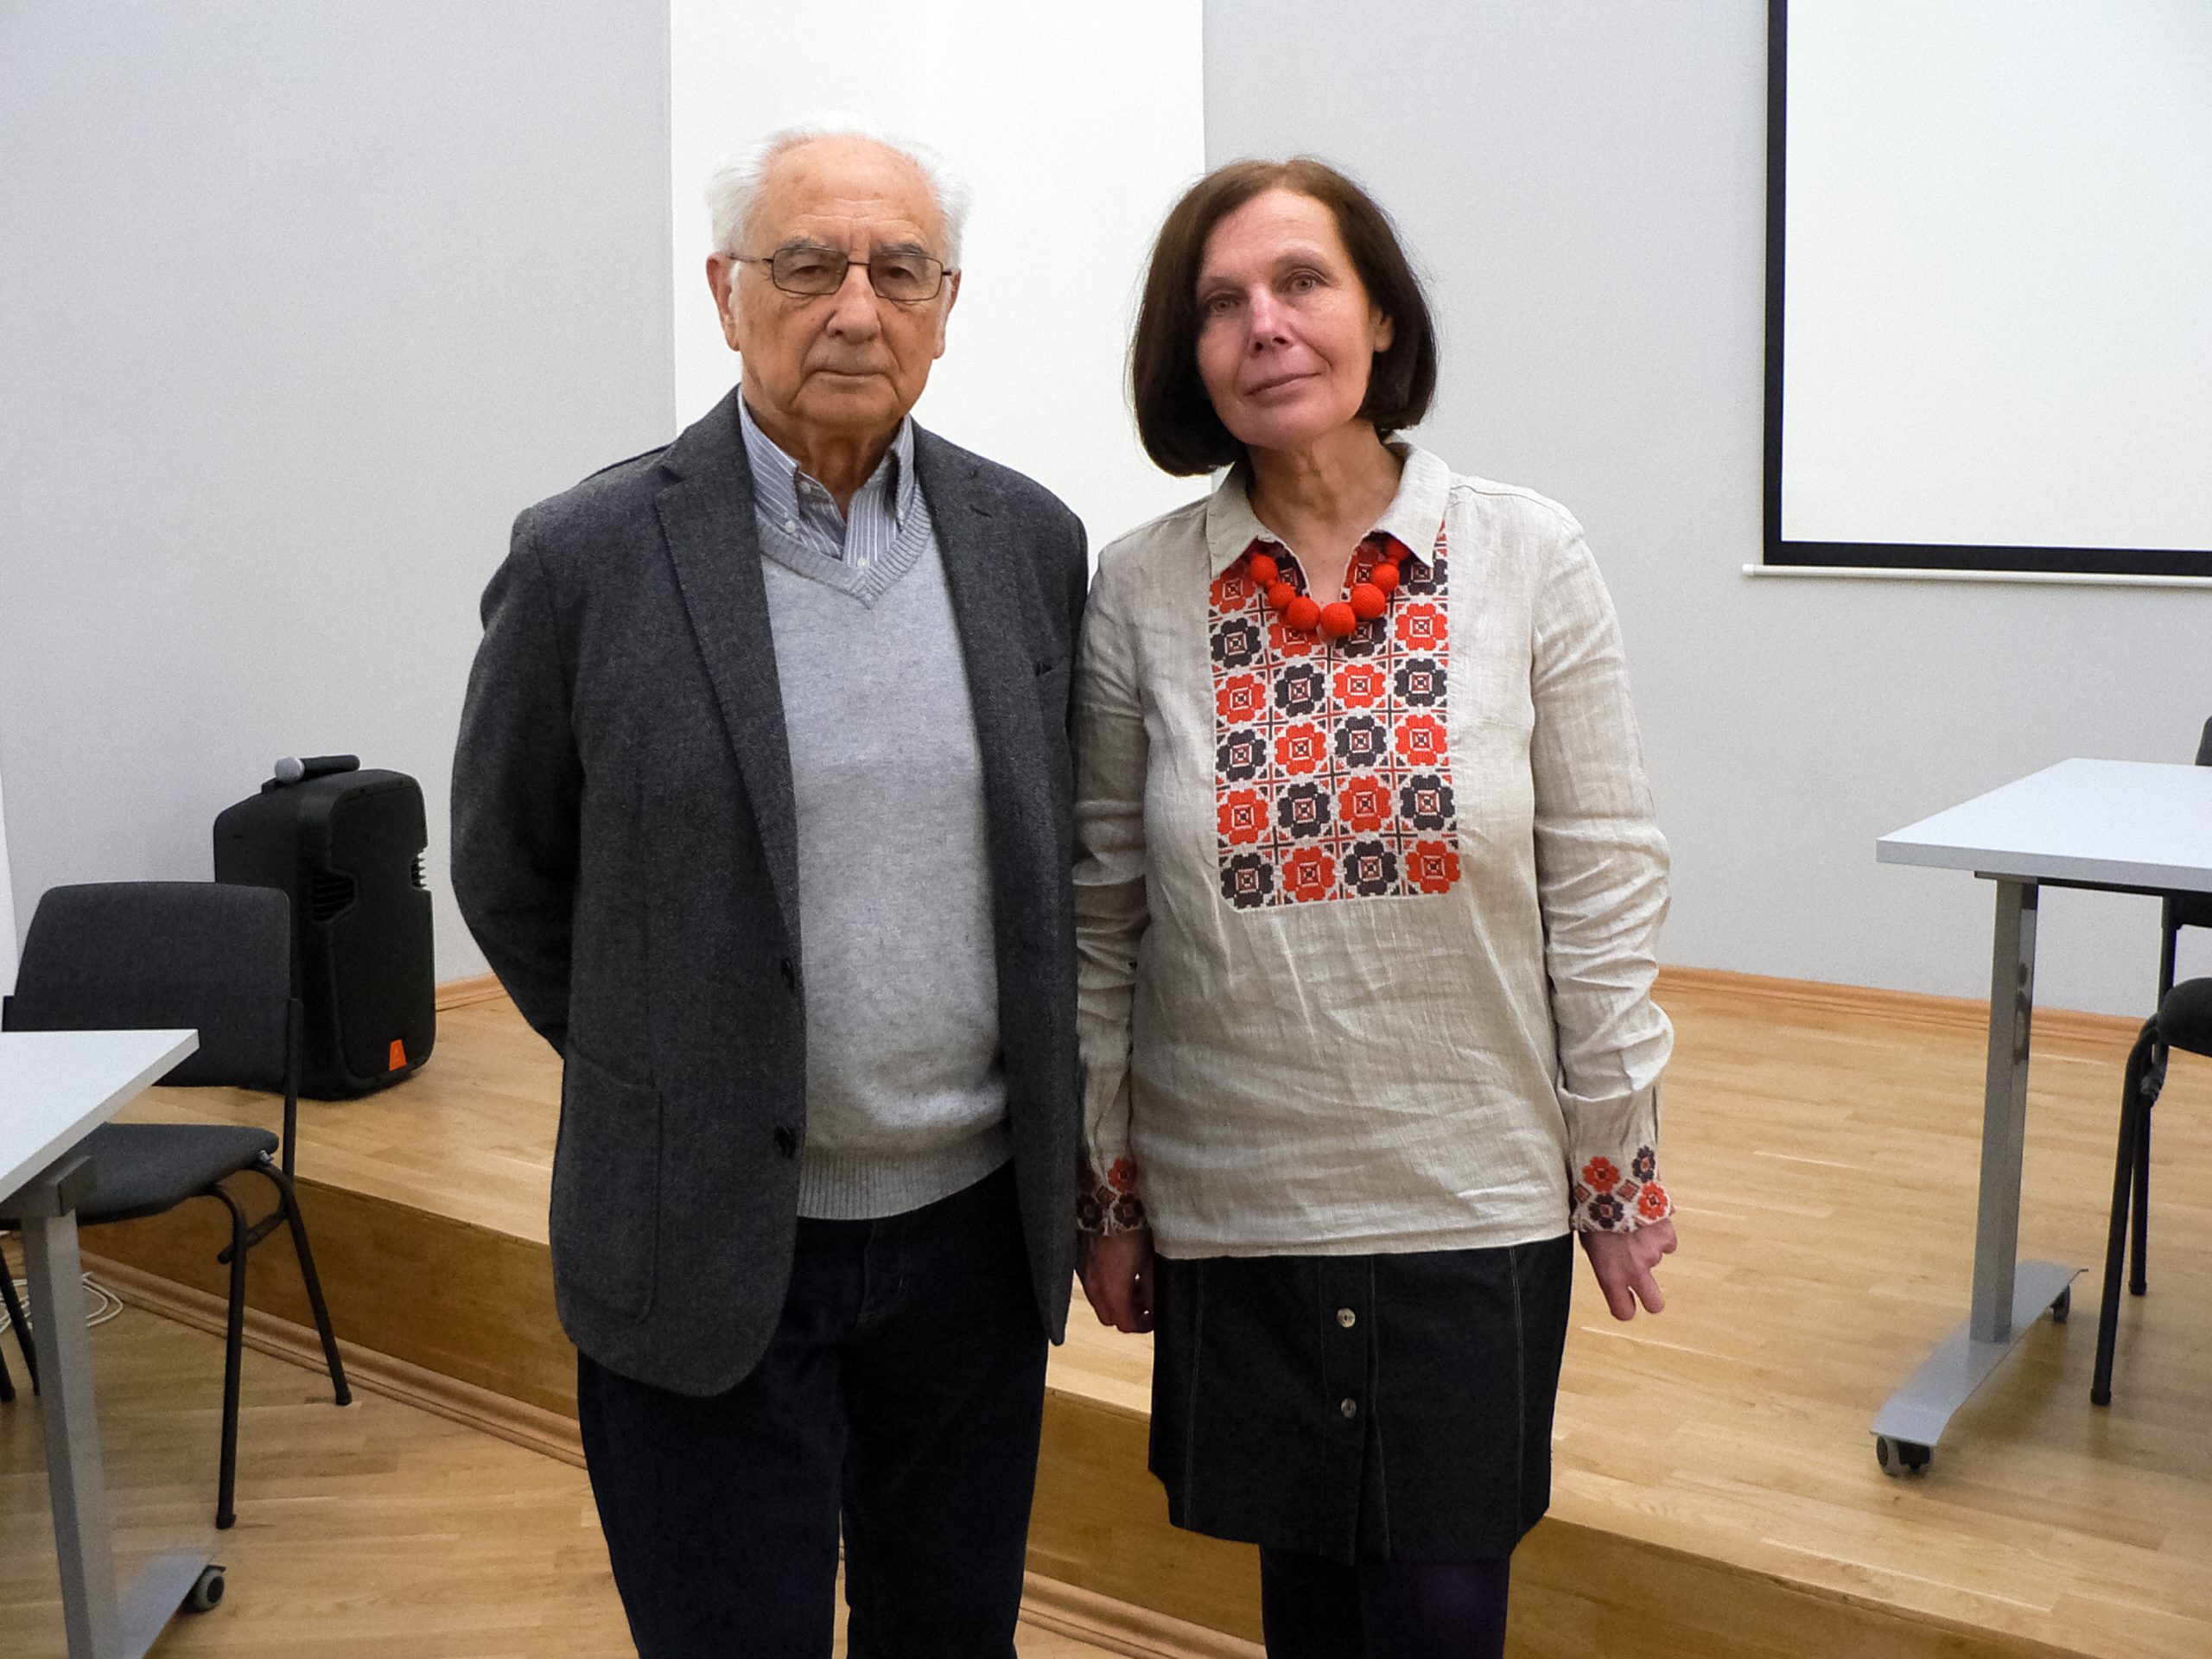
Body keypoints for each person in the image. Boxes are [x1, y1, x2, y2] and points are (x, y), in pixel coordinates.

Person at [452, 125, 1088, 1658]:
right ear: (727, 292)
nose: (856, 307)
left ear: (947, 305)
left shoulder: (1029, 543)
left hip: (972, 1250)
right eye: (808, 265)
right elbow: (508, 865)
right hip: (704, 1236)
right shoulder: (588, 555)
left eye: (901, 270)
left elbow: (1054, 864)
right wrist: (673, 1066)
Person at [1071, 157, 1679, 1659]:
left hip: (1471, 1192)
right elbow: (1102, 920)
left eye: (1303, 283)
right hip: (1239, 1203)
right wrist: (1112, 1191)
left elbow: (1604, 880)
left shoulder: (1529, 556)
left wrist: (1614, 1166)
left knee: (1439, 1615)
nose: (1265, 326)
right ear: (1187, 354)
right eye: (1221, 303)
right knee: (1311, 1611)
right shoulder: (1138, 592)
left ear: (1383, 317)